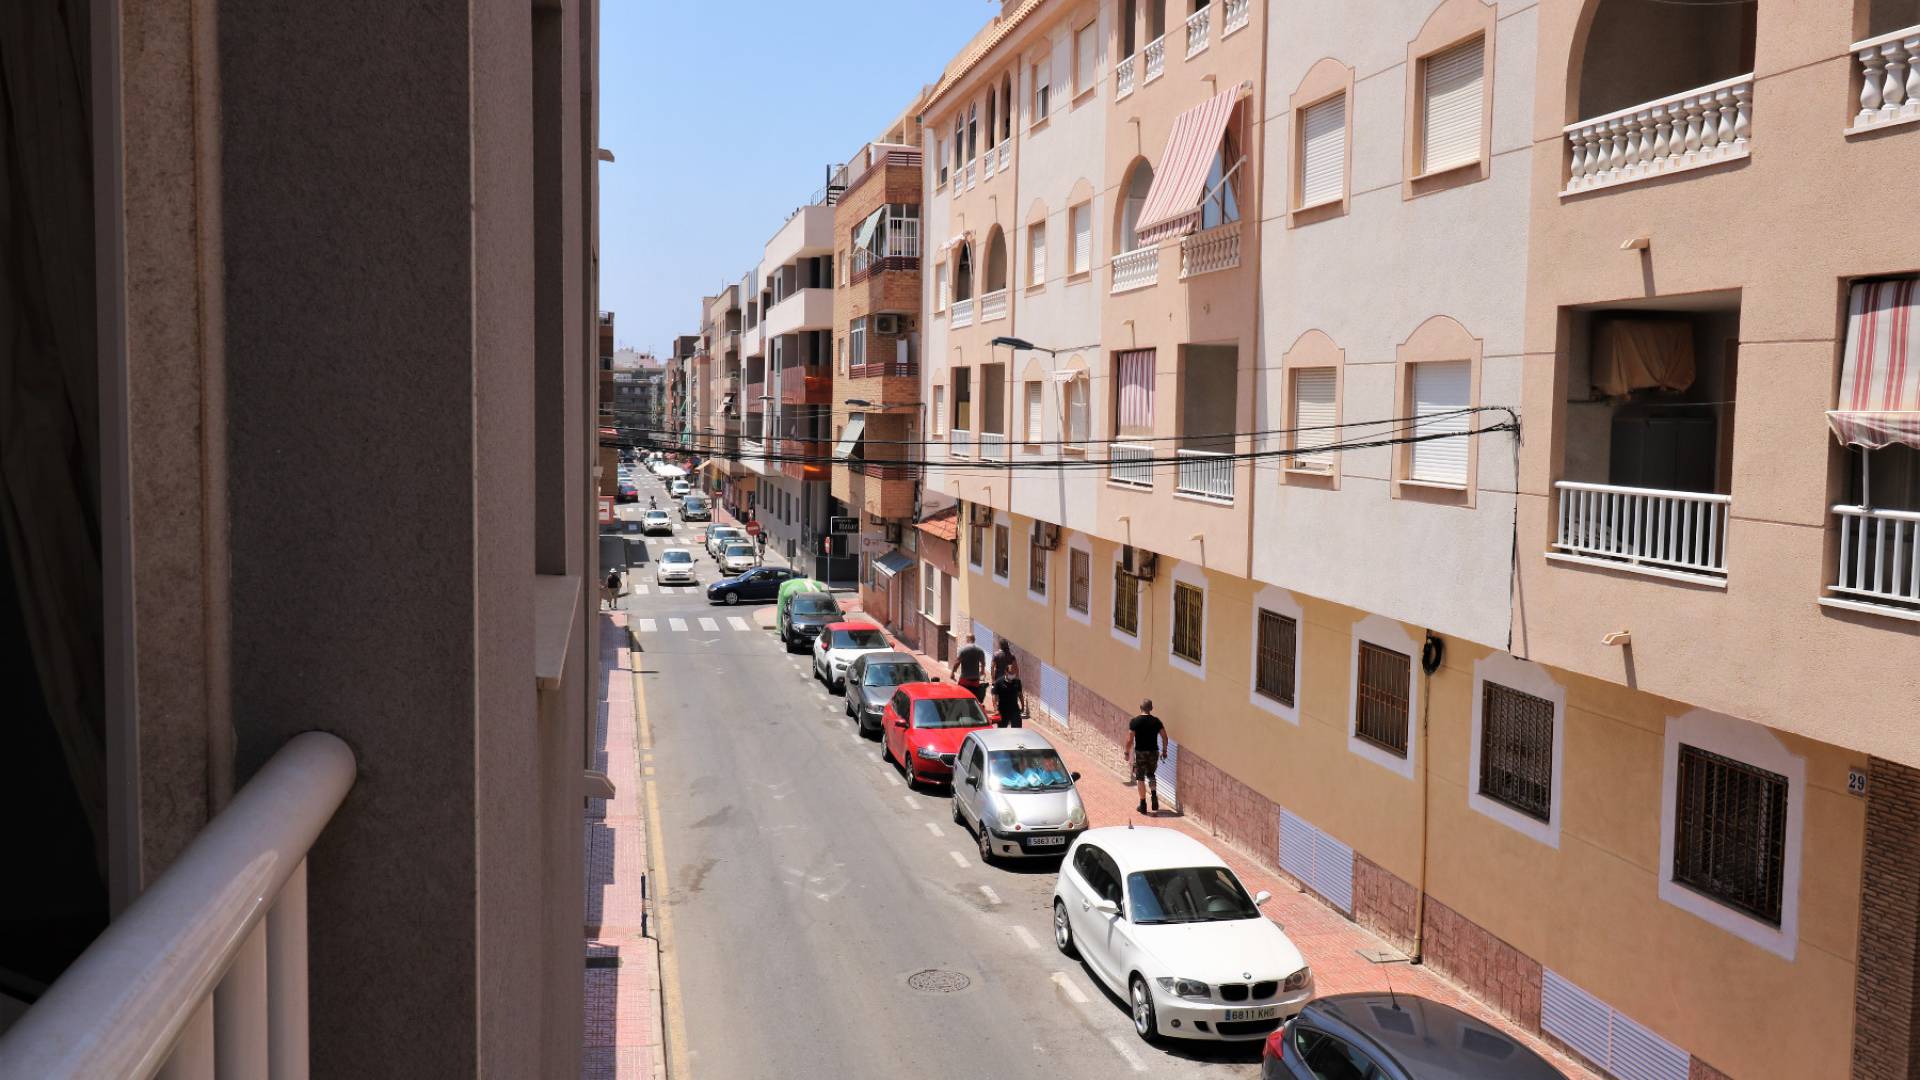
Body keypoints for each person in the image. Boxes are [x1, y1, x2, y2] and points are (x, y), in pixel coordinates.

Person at [1122, 699, 1167, 815]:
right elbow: (1164, 737)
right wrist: (1165, 750)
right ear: (1151, 709)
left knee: (1140, 778)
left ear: (1140, 707)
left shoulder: (1135, 722)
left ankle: (1143, 804)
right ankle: (1153, 795)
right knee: (1151, 774)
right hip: (1153, 752)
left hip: (1141, 753)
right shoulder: (1156, 722)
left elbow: (1129, 739)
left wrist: (1126, 752)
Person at [954, 634, 987, 701]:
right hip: (975, 679)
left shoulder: (963, 649)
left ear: (968, 639)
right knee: (973, 697)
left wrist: (953, 672)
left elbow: (957, 662)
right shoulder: (980, 650)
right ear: (974, 639)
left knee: (961, 696)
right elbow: (983, 663)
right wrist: (982, 671)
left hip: (964, 679)